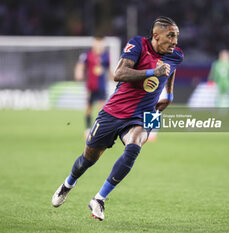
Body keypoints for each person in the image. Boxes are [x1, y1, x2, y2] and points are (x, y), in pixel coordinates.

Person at [52, 16, 183, 221]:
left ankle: (99, 199)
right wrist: (152, 72)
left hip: (146, 113)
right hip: (115, 111)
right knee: (88, 160)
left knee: (134, 147)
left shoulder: (176, 55)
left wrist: (170, 95)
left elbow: (171, 69)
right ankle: (68, 184)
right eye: (171, 36)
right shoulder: (138, 44)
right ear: (156, 35)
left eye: (177, 36)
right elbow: (119, 73)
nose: (175, 41)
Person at [74, 36, 110, 137]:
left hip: (102, 85)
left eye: (100, 43)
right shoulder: (87, 54)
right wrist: (79, 72)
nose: (98, 45)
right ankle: (87, 129)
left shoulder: (106, 55)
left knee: (102, 108)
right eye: (96, 43)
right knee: (89, 107)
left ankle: (100, 129)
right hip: (90, 85)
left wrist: (114, 77)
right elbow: (80, 64)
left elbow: (110, 68)